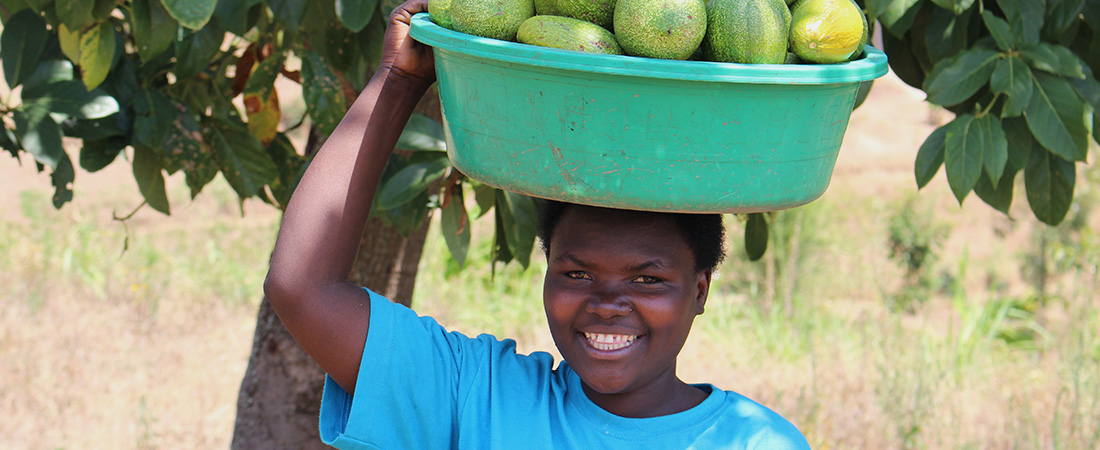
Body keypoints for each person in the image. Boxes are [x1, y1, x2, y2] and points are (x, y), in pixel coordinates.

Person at [264, 1, 811, 448]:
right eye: (577, 275)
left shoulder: (757, 443)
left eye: (647, 279)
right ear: (546, 274)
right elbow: (302, 288)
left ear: (699, 290)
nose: (607, 303)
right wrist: (399, 80)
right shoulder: (479, 397)